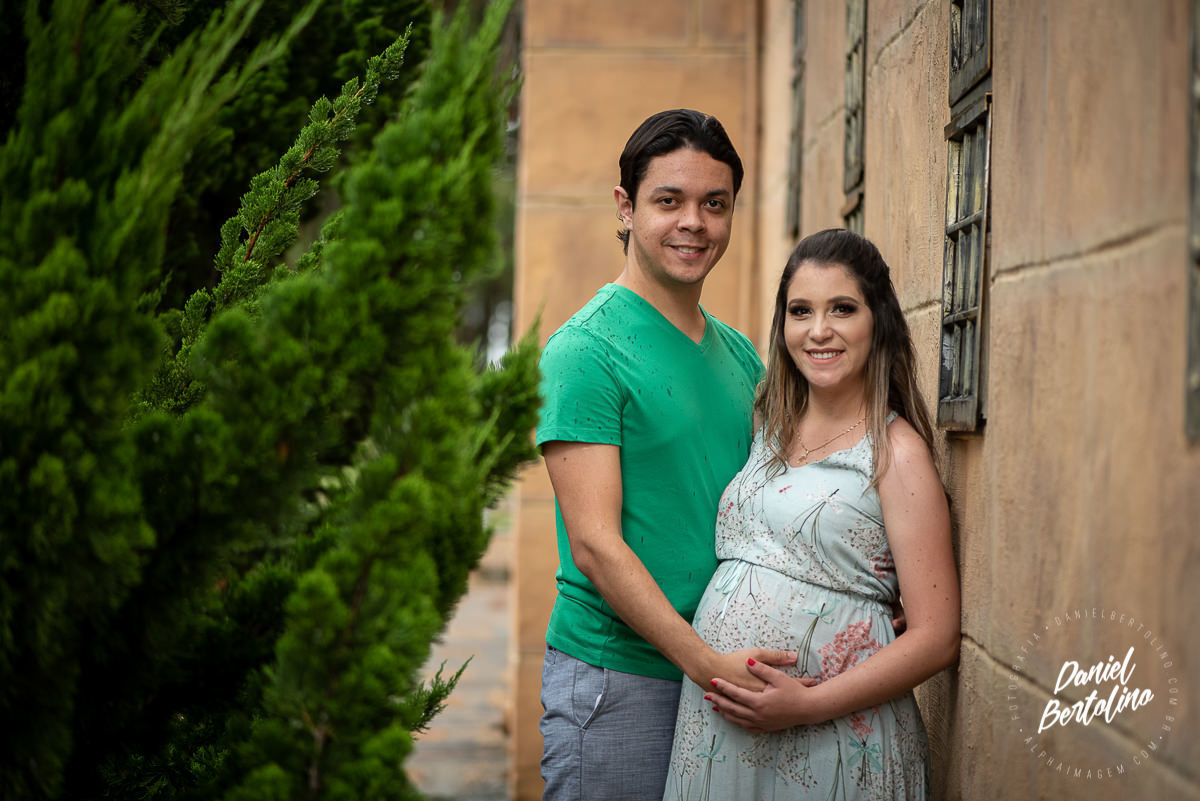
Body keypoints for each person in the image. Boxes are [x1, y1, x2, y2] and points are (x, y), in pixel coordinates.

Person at [535, 109, 798, 801]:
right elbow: (594, 544)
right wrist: (707, 665)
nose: (695, 222)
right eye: (669, 200)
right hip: (620, 679)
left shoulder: (741, 354)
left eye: (715, 204)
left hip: (721, 676)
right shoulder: (585, 352)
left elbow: (782, 504)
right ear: (625, 208)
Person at [663, 229, 961, 800]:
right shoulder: (767, 428)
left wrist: (804, 705)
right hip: (723, 734)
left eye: (842, 310)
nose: (818, 331)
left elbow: (937, 636)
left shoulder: (895, 454)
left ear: (878, 322)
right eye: (800, 311)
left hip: (834, 738)